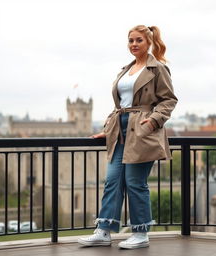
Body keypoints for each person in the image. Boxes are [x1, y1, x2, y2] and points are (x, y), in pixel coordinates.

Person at [78, 25, 178, 249]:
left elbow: (169, 100)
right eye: (131, 40)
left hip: (142, 129)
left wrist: (153, 121)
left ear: (148, 42)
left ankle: (141, 234)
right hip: (120, 129)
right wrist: (110, 128)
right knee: (112, 180)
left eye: (139, 40)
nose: (134, 44)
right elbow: (120, 106)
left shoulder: (157, 69)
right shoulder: (126, 69)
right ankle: (104, 230)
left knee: (135, 183)